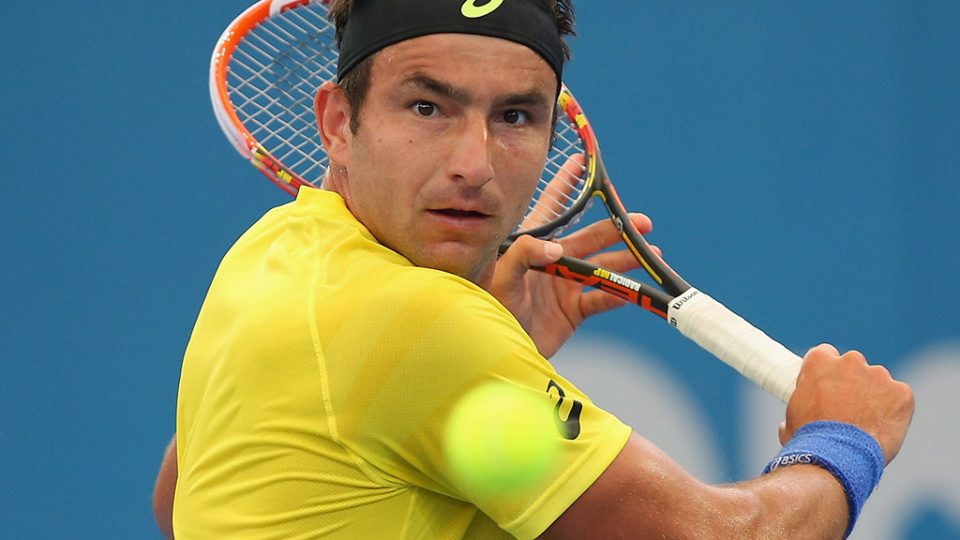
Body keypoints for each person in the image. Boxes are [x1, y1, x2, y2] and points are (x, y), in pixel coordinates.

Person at [155, 0, 915, 538]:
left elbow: (182, 498)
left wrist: (480, 348)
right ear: (338, 123)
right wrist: (840, 440)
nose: (473, 165)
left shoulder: (272, 253)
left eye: (515, 117)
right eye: (428, 108)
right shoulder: (419, 327)